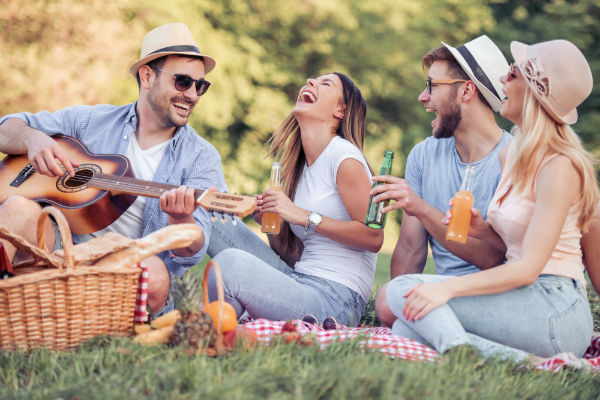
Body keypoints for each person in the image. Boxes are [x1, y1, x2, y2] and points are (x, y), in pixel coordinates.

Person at [382, 39, 598, 364]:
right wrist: (481, 228)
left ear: (535, 90)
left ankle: (460, 353)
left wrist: (447, 289)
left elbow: (527, 268)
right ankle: (535, 365)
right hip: (518, 298)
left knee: (401, 292)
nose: (500, 82)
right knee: (406, 330)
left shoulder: (560, 164)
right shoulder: (512, 154)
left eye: (511, 74)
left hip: (555, 306)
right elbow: (515, 246)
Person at [0, 23, 227, 317]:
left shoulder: (202, 157)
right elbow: (6, 127)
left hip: (124, 270)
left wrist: (182, 219)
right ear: (147, 76)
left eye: (201, 86)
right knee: (18, 207)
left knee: (155, 275)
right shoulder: (89, 120)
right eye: (183, 81)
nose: (193, 95)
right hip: (59, 250)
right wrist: (33, 139)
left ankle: (60, 312)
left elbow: (194, 248)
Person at [206, 72, 383, 326]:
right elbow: (294, 257)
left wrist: (301, 215)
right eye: (313, 80)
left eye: (325, 83)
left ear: (341, 110)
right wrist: (273, 224)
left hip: (336, 300)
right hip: (299, 280)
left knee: (230, 265)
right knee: (210, 218)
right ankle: (224, 323)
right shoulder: (301, 168)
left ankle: (217, 325)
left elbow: (373, 237)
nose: (310, 82)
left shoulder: (345, 158)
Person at [372, 35, 512, 326]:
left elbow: (494, 259)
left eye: (432, 86)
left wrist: (419, 206)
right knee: (387, 299)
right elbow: (411, 247)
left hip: (498, 295)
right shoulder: (424, 155)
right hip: (441, 294)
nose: (423, 97)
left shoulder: (514, 159)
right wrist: (400, 303)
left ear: (466, 91)